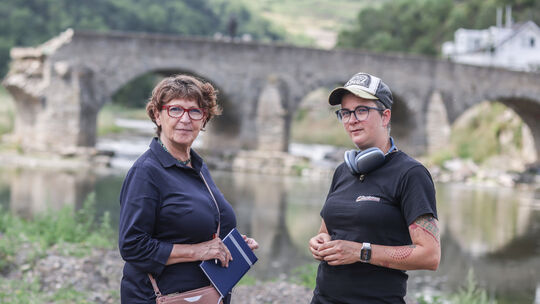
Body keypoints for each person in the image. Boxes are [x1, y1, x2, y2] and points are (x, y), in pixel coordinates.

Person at [118, 74, 258, 304]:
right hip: (160, 297)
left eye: (195, 111)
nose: (185, 119)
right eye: (175, 110)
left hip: (204, 296)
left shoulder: (197, 165)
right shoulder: (147, 172)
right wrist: (198, 250)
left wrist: (230, 245)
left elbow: (193, 226)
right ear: (157, 115)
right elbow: (132, 246)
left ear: (204, 120)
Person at [309, 72, 440, 303]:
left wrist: (361, 252)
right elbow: (326, 231)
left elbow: (430, 255)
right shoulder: (343, 170)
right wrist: (319, 241)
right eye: (345, 113)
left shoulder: (411, 174)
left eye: (361, 110)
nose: (352, 120)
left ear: (385, 116)